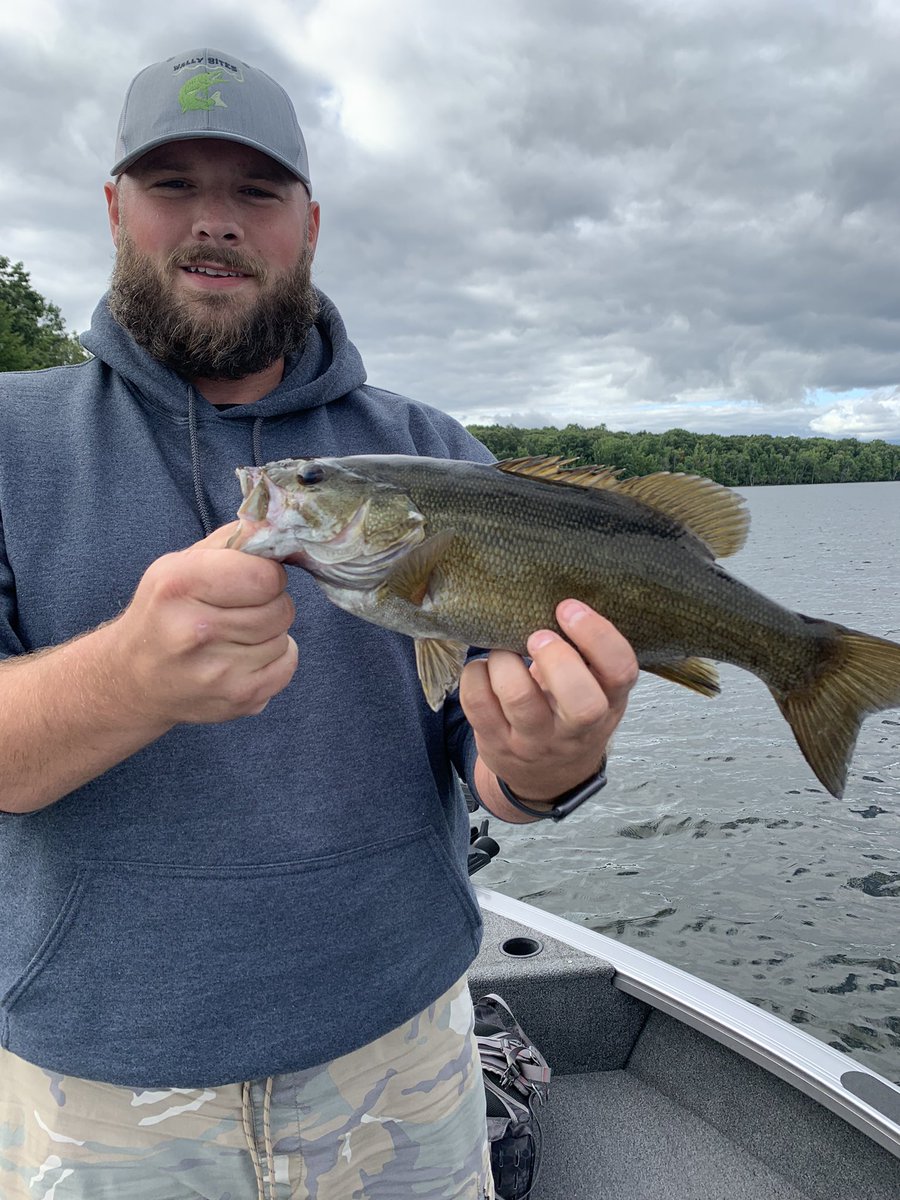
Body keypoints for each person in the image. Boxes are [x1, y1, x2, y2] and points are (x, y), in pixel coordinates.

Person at [0, 47, 637, 1200]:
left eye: (256, 191)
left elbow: (486, 761)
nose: (215, 222)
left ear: (310, 222)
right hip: (96, 1088)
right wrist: (129, 681)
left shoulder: (437, 452)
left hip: (404, 1053)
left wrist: (547, 765)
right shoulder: (10, 440)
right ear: (110, 209)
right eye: (173, 185)